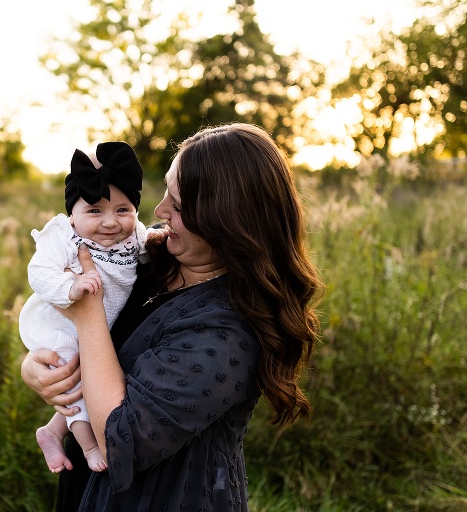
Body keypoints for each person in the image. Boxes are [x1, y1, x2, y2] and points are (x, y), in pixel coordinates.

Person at [21, 123, 323, 511]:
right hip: (87, 489)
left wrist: (86, 314)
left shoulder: (228, 329)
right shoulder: (147, 262)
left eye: (178, 206)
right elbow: (76, 337)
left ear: (225, 220)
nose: (160, 210)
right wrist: (37, 368)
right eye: (166, 190)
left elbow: (121, 439)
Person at [20, 141, 156, 474]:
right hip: (60, 322)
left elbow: (145, 242)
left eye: (122, 210)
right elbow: (38, 271)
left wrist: (158, 241)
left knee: (91, 373)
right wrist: (71, 287)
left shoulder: (133, 234)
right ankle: (90, 445)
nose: (110, 222)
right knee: (75, 383)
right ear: (73, 215)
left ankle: (51, 430)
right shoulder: (65, 237)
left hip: (98, 325)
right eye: (95, 211)